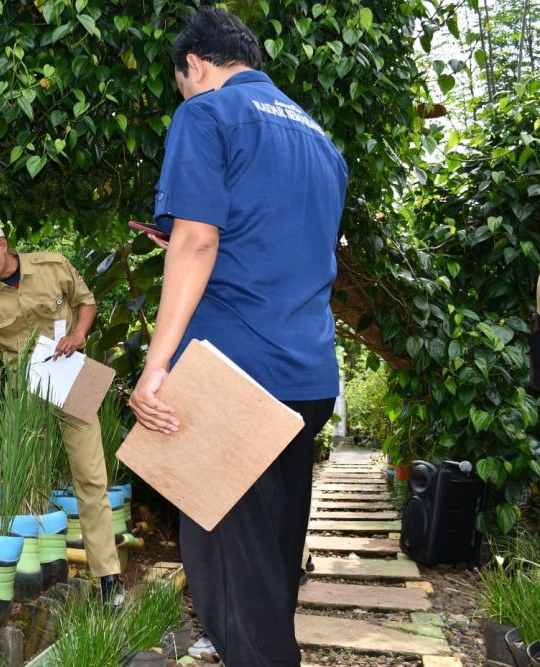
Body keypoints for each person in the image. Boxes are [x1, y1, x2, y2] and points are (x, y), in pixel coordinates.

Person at [127, 6, 347, 665]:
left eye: (181, 81)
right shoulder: (319, 140)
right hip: (306, 378)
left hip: (235, 377)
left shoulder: (206, 114)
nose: (183, 95)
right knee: (269, 573)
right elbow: (282, 241)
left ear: (194, 64)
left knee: (231, 586)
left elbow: (196, 242)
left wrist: (155, 368)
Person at [0, 216, 124, 604]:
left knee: (92, 477)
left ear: (2, 243)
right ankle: (18, 577)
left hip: (72, 381)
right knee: (19, 479)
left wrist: (79, 334)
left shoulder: (52, 265)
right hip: (25, 392)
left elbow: (87, 303)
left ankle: (109, 580)